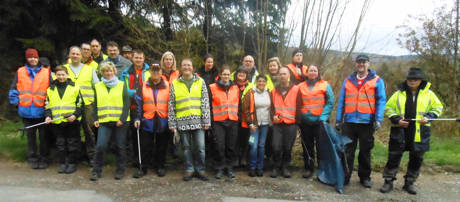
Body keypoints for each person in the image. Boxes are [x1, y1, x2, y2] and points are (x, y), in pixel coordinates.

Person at [380, 67, 443, 195]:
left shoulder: (429, 94)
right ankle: (388, 181)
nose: (412, 81)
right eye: (409, 79)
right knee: (394, 157)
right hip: (400, 130)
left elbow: (438, 107)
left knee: (416, 158)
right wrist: (397, 119)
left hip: (420, 131)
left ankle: (409, 182)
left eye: (415, 79)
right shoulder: (398, 93)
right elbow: (388, 108)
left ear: (420, 80)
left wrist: (429, 117)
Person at [335, 54, 386, 188]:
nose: (361, 64)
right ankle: (345, 176)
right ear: (355, 64)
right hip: (349, 122)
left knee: (365, 151)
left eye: (363, 62)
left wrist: (378, 119)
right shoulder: (348, 80)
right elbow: (342, 101)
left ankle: (365, 177)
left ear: (368, 64)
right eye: (359, 62)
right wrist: (339, 119)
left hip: (367, 122)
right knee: (347, 151)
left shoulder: (376, 80)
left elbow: (381, 101)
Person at [168, 58, 211, 181]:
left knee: (200, 147)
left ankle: (201, 169)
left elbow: (205, 102)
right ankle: (189, 169)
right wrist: (172, 124)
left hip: (198, 121)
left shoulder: (200, 81)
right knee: (186, 148)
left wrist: (206, 121)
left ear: (192, 67)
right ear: (181, 68)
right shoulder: (175, 83)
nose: (186, 67)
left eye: (189, 65)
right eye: (184, 65)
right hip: (181, 121)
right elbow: (171, 105)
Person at [9, 48, 52, 169]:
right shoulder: (20, 71)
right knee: (30, 136)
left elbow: (52, 90)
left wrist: (50, 108)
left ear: (38, 58)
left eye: (34, 57)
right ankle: (32, 157)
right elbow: (13, 89)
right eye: (30, 57)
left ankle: (44, 158)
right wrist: (16, 103)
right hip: (26, 110)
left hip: (42, 110)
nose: (32, 59)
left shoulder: (46, 72)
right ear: (27, 58)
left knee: (44, 137)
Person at [90, 62, 130, 181]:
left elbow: (127, 103)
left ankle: (120, 170)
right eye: (106, 71)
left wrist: (122, 119)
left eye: (110, 71)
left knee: (120, 146)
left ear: (114, 72)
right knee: (100, 146)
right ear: (102, 72)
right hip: (104, 121)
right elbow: (96, 104)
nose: (108, 73)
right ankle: (96, 171)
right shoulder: (98, 86)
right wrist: (96, 119)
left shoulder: (121, 84)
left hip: (120, 122)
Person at [64, 46, 100, 166]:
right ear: (69, 55)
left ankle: (91, 156)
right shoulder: (64, 69)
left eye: (77, 54)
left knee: (89, 131)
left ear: (81, 56)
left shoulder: (89, 70)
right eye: (73, 53)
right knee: (72, 131)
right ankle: (75, 156)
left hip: (87, 104)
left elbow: (97, 87)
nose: (75, 56)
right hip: (70, 105)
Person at [297, 65, 334, 178]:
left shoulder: (325, 85)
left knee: (321, 146)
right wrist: (299, 116)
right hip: (305, 121)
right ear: (307, 73)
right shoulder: (300, 86)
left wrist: (323, 116)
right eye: (310, 70)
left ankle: (322, 168)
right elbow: (297, 103)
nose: (312, 72)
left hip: (320, 121)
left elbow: (330, 102)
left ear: (318, 72)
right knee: (307, 146)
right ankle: (309, 168)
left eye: (315, 70)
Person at [133, 64, 170, 178]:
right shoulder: (143, 85)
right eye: (153, 71)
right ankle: (143, 168)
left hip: (163, 120)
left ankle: (160, 166)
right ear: (150, 71)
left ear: (161, 72)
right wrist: (137, 118)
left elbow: (171, 103)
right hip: (147, 120)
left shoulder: (168, 85)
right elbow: (138, 103)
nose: (155, 73)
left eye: (157, 70)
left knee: (162, 146)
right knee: (145, 146)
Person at [44, 66, 83, 174]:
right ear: (55, 75)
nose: (61, 77)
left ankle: (72, 163)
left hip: (71, 121)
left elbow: (80, 104)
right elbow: (47, 106)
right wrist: (48, 116)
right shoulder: (50, 89)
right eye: (58, 75)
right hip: (57, 121)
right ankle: (62, 163)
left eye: (63, 74)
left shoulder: (75, 87)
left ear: (67, 75)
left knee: (72, 143)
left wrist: (75, 115)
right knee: (60, 143)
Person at [120, 49, 150, 171]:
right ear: (132, 58)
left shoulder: (149, 71)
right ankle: (136, 160)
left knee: (146, 136)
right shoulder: (126, 72)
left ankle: (147, 159)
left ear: (144, 59)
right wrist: (134, 93)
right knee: (134, 135)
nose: (138, 60)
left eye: (140, 58)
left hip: (146, 107)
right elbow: (122, 89)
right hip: (132, 107)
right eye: (136, 57)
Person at [208, 65, 239, 179]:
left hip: (232, 120)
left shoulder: (235, 88)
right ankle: (219, 167)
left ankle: (230, 167)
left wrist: (238, 117)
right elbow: (209, 106)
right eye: (224, 74)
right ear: (220, 75)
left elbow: (238, 104)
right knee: (219, 145)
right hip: (218, 122)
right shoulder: (212, 87)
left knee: (231, 146)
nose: (226, 76)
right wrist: (210, 121)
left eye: (228, 74)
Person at [270, 67, 299, 178]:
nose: (282, 76)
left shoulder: (296, 89)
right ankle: (276, 167)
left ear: (289, 75)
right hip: (278, 124)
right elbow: (272, 107)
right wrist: (273, 117)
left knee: (287, 147)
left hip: (291, 123)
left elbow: (299, 106)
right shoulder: (274, 90)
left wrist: (297, 122)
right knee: (276, 146)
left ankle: (285, 167)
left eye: (284, 74)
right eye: (280, 74)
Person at [243, 75, 271, 177]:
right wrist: (250, 123)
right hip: (253, 125)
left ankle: (260, 167)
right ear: (256, 82)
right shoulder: (251, 93)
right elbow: (245, 109)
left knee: (261, 146)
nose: (261, 83)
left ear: (266, 82)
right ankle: (252, 167)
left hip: (265, 124)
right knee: (253, 145)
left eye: (263, 81)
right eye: (259, 81)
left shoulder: (269, 93)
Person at [234, 67, 255, 167]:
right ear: (236, 74)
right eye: (239, 72)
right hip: (235, 117)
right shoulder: (232, 85)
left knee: (248, 139)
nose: (241, 74)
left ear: (247, 75)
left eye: (244, 73)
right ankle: (236, 158)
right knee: (236, 139)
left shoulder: (252, 86)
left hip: (247, 118)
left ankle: (244, 157)